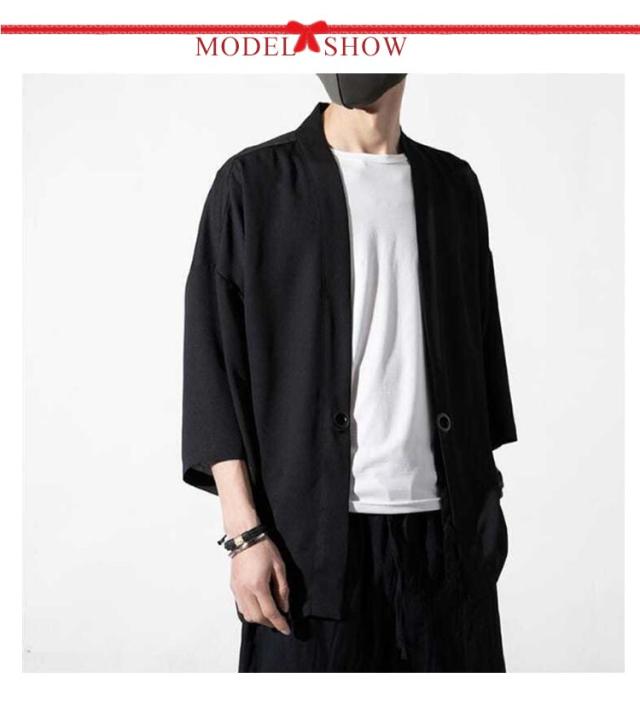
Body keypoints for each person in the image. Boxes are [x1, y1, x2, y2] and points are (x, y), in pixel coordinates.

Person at [181, 74, 518, 672]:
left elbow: (481, 352)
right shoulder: (254, 183)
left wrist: (485, 504)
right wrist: (244, 533)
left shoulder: (453, 187)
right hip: (305, 548)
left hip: (446, 545)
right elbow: (213, 362)